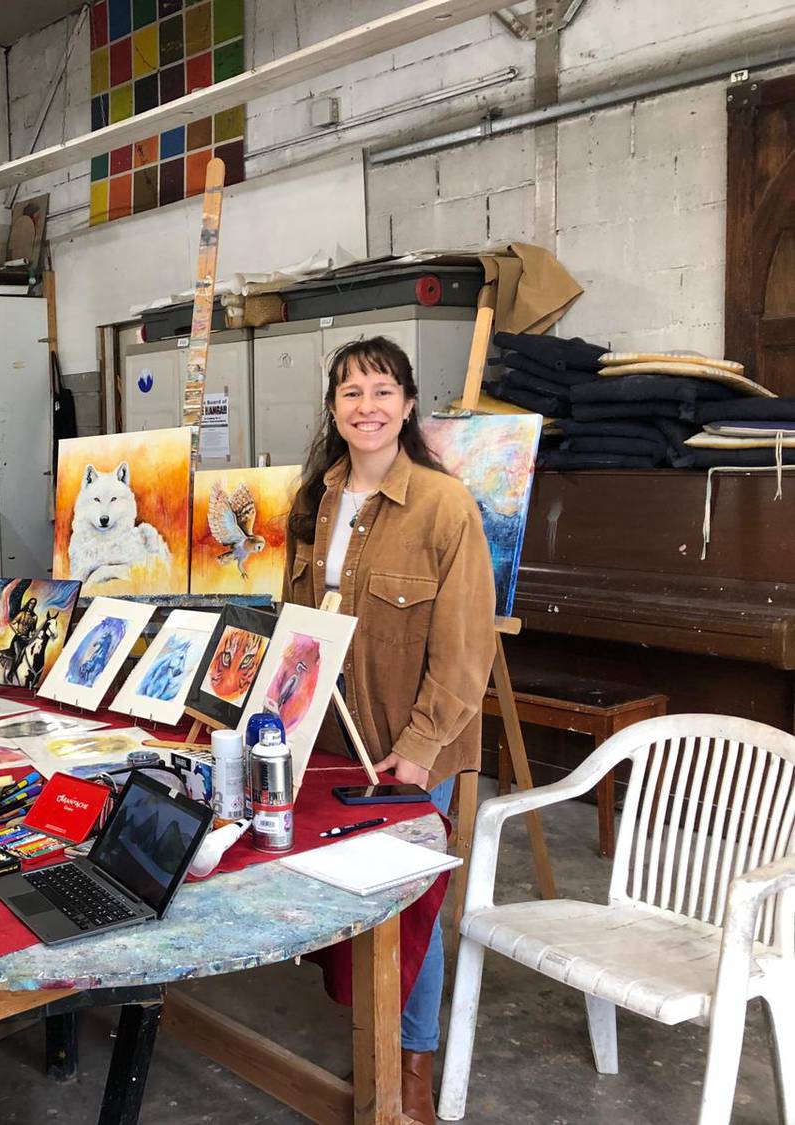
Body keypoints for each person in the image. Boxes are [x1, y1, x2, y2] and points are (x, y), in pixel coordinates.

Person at [283, 336, 494, 1125]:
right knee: (346, 891)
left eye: (381, 391)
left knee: (412, 908)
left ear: (408, 405)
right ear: (333, 411)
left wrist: (422, 746)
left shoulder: (444, 506)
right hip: (333, 738)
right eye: (350, 393)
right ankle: (372, 1026)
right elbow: (297, 625)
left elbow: (467, 648)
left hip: (411, 744)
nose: (365, 407)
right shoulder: (319, 499)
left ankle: (411, 1061)